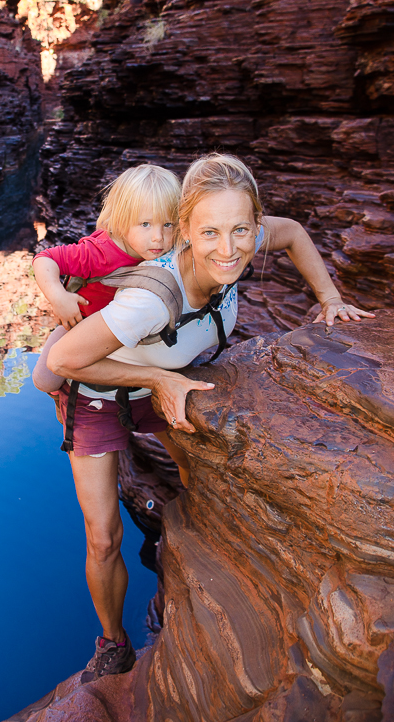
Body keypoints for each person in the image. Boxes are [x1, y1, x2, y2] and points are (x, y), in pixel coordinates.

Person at [45, 153, 375, 684]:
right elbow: (63, 361)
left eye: (241, 229)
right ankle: (113, 643)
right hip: (99, 391)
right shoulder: (149, 301)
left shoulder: (240, 236)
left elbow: (291, 233)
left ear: (252, 223)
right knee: (102, 536)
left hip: (164, 375)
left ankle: (183, 547)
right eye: (211, 233)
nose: (229, 249)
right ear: (186, 231)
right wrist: (157, 380)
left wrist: (330, 298)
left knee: (201, 484)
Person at [32, 164, 181, 395]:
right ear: (122, 221)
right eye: (145, 224)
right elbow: (45, 258)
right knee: (44, 381)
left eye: (168, 224)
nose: (158, 238)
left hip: (121, 329)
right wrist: (58, 297)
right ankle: (63, 397)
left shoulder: (169, 250)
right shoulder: (99, 253)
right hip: (82, 325)